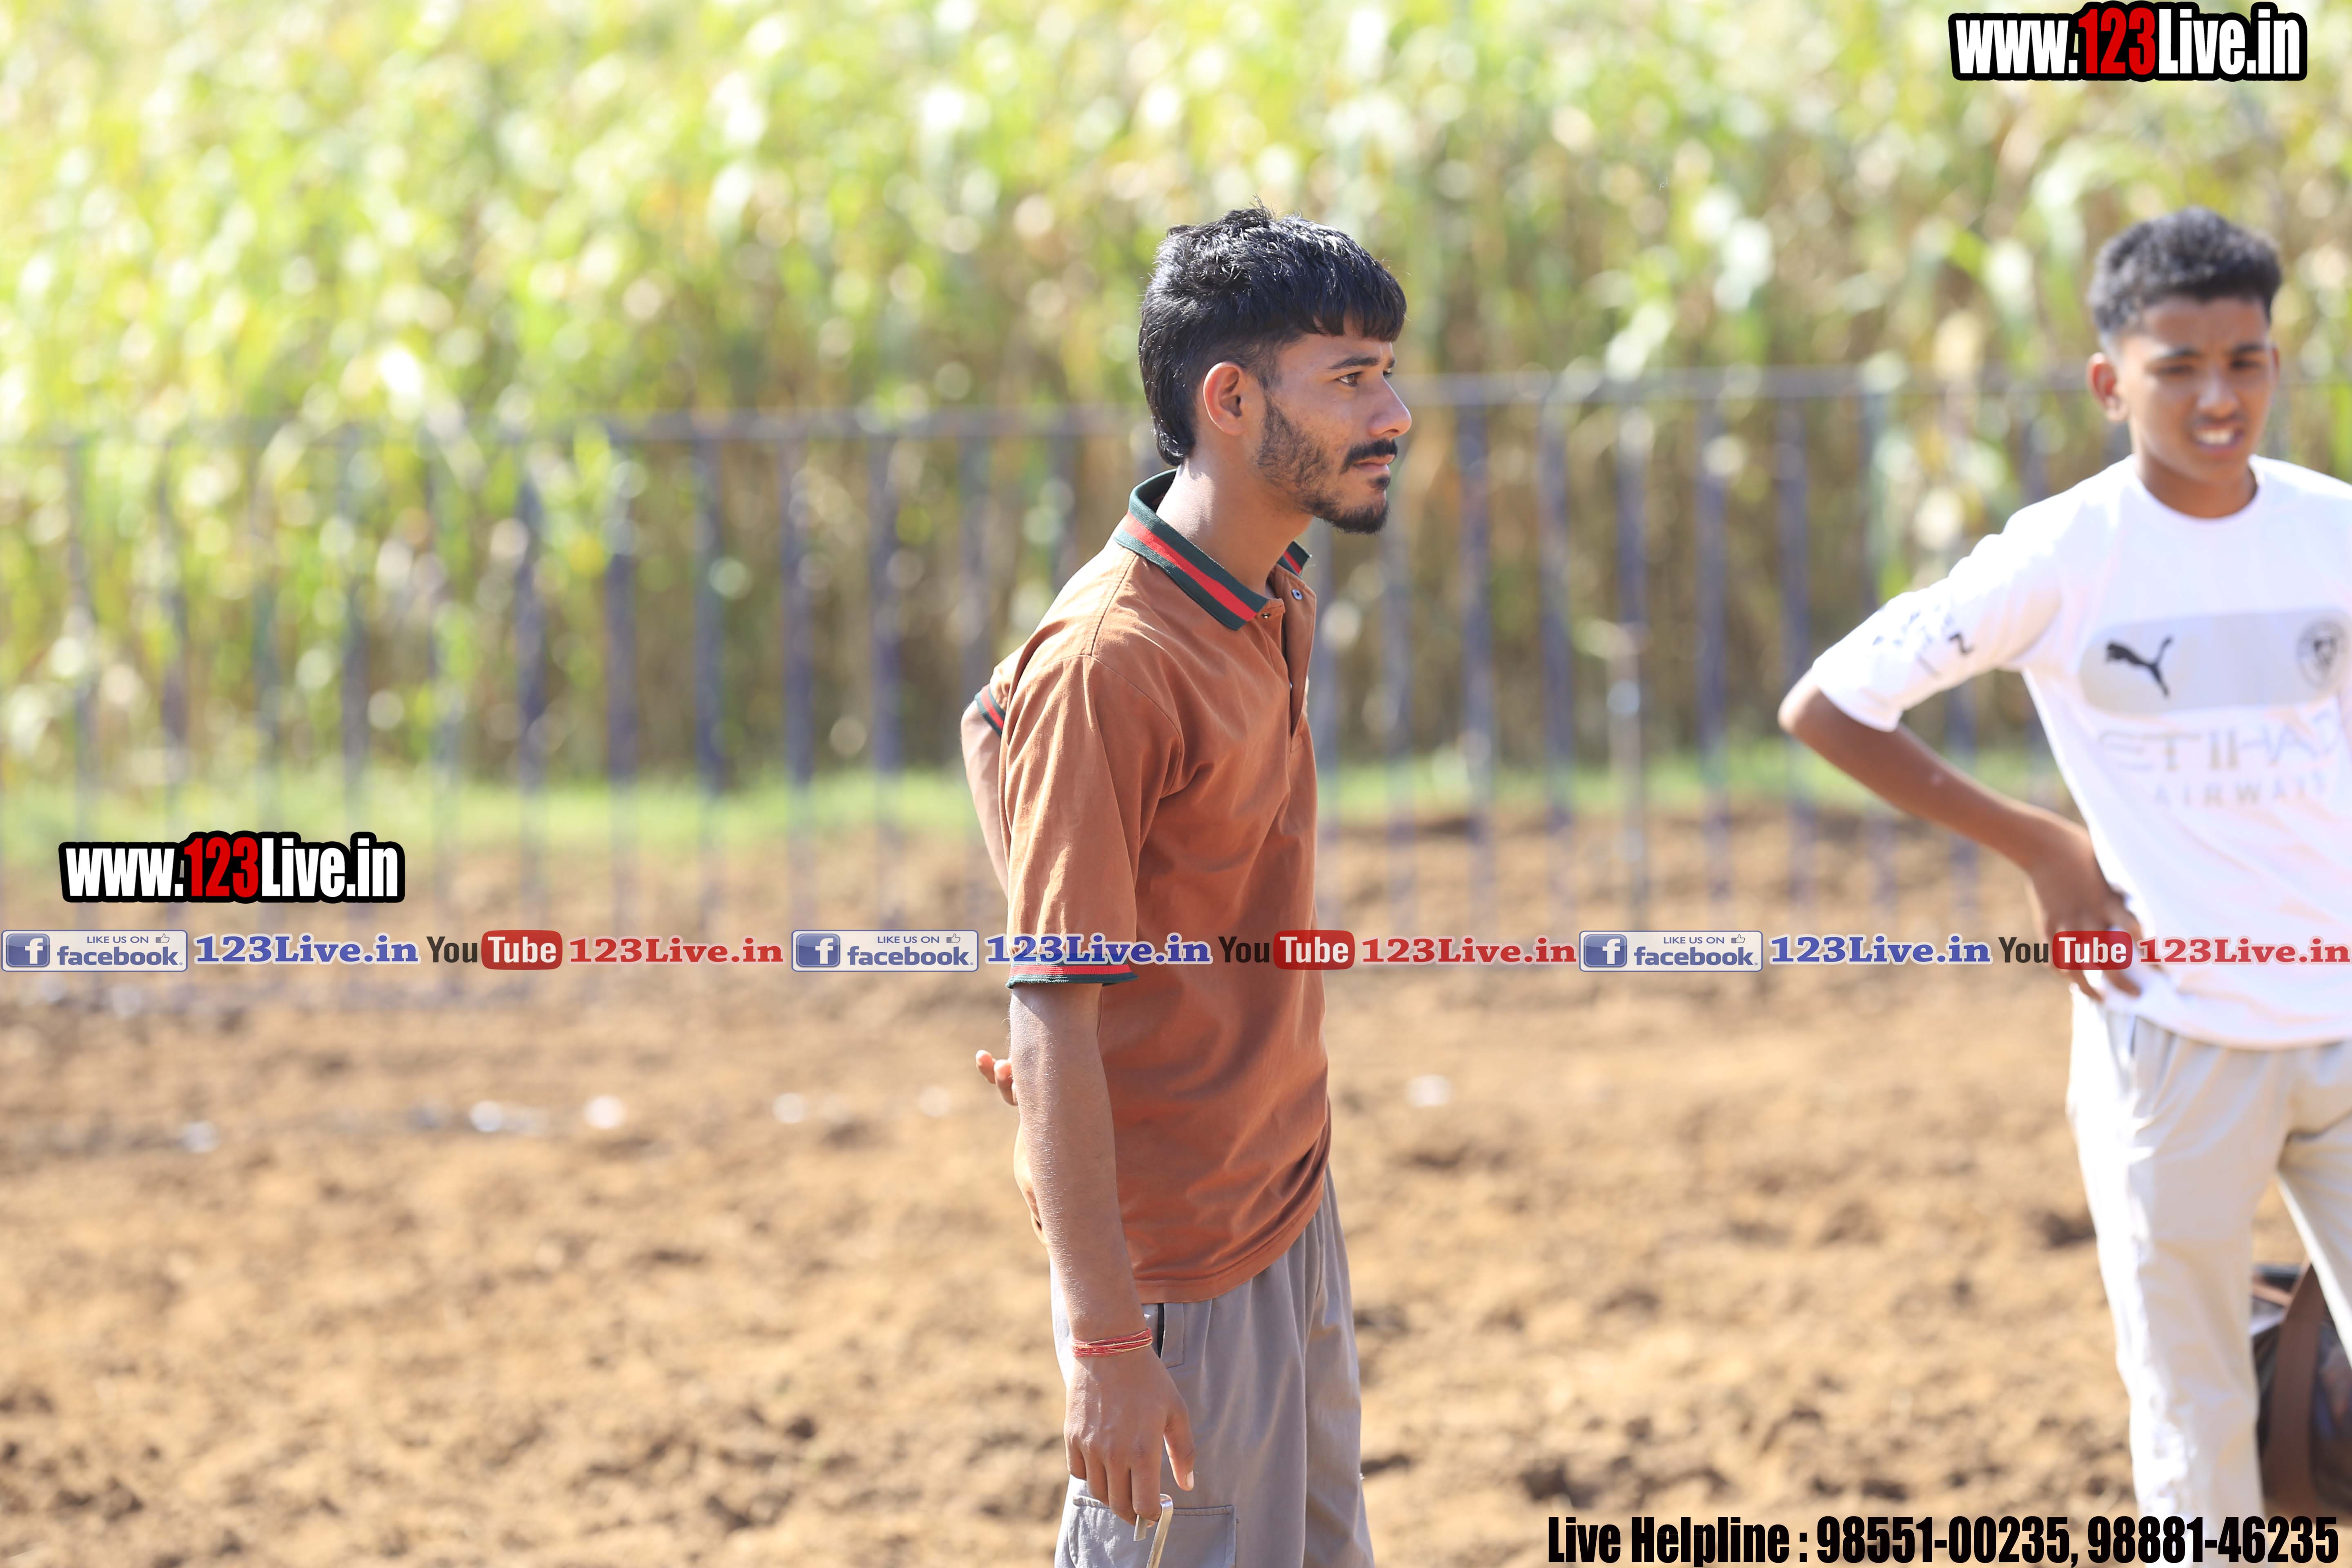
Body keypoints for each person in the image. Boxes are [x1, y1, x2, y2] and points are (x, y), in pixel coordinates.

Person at [1780, 206, 2352, 1516]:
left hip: (2346, 1014)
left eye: (2246, 362)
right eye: (2178, 367)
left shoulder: (2333, 533)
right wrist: (2041, 846)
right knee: (2197, 1410)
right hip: (2172, 1039)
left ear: (2275, 363)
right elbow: (1829, 705)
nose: (2219, 397)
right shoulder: (2066, 553)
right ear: (2110, 382)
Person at [960, 205, 1408, 1566]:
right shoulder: (1112, 659)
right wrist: (1107, 1340)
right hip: (1181, 1271)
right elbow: (1053, 1004)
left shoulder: (1270, 588)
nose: (1393, 414)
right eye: (1351, 378)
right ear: (1230, 400)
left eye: (1389, 374)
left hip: (1286, 1195)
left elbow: (986, 721)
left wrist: (1074, 909)